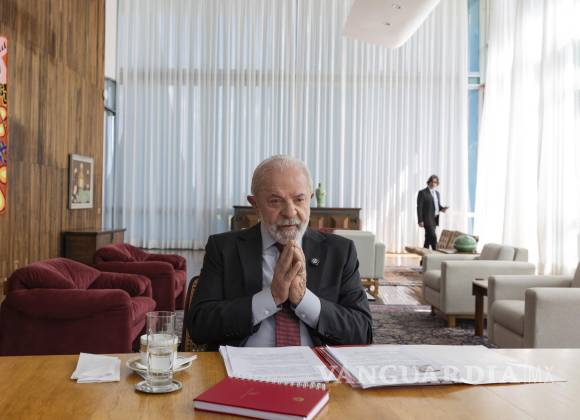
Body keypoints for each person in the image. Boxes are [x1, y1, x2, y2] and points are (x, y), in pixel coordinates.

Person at [187, 155, 372, 348]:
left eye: (299, 199)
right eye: (275, 201)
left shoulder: (340, 251)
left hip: (316, 363)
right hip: (245, 362)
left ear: (310, 200)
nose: (290, 212)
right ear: (255, 204)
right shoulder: (223, 248)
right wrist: (270, 297)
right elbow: (200, 325)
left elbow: (362, 330)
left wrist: (304, 300)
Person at [416, 174, 448, 250]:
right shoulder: (422, 192)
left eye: (435, 182)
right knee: (433, 237)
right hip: (427, 219)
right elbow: (419, 207)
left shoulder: (437, 193)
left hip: (435, 219)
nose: (434, 183)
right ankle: (436, 253)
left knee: (427, 239)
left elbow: (437, 206)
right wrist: (420, 220)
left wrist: (442, 209)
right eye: (432, 182)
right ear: (429, 182)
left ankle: (424, 256)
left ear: (437, 183)